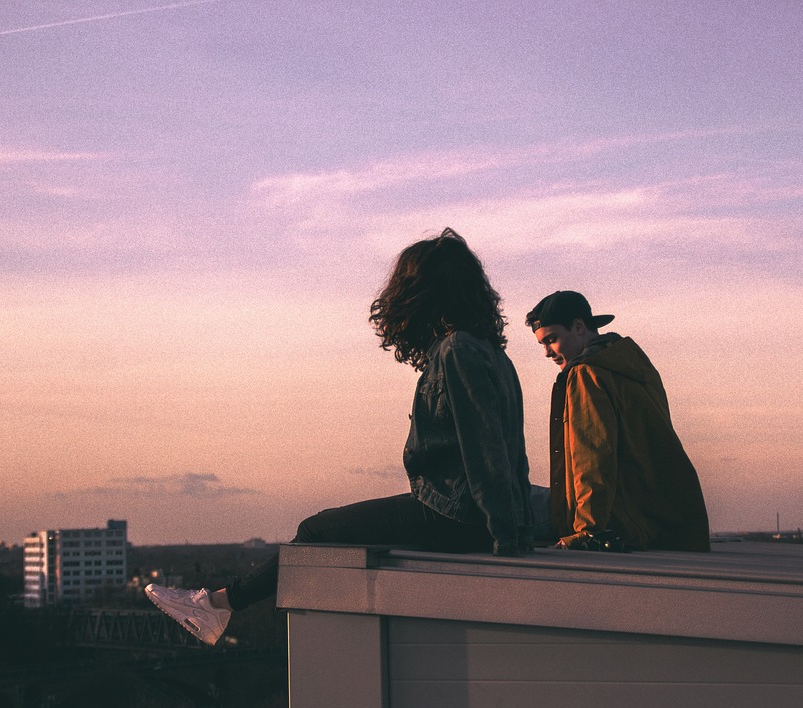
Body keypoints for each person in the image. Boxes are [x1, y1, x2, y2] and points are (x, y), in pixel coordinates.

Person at [147, 228, 535, 668]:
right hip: (474, 516)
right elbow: (511, 454)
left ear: (422, 294)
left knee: (315, 532)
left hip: (454, 516)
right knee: (329, 534)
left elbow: (486, 457)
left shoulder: (457, 353)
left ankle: (219, 607)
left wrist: (504, 544)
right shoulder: (492, 355)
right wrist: (515, 530)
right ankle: (220, 605)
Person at [525, 290, 709, 552]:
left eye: (552, 340)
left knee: (503, 499)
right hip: (657, 518)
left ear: (578, 327)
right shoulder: (632, 365)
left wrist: (588, 532)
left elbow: (593, 458)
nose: (547, 353)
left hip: (617, 520)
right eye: (542, 344)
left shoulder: (587, 374)